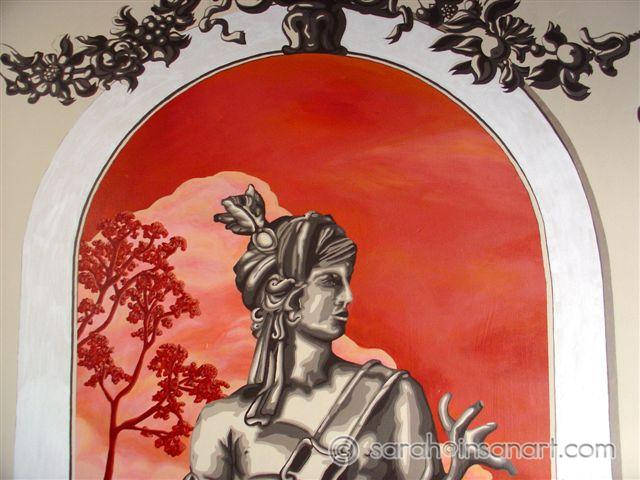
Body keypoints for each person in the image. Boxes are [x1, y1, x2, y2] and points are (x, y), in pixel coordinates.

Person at [185, 185, 515, 480]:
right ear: (285, 295)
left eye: (346, 280)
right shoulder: (221, 421)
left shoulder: (391, 395)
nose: (348, 296)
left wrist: (454, 471)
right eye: (330, 281)